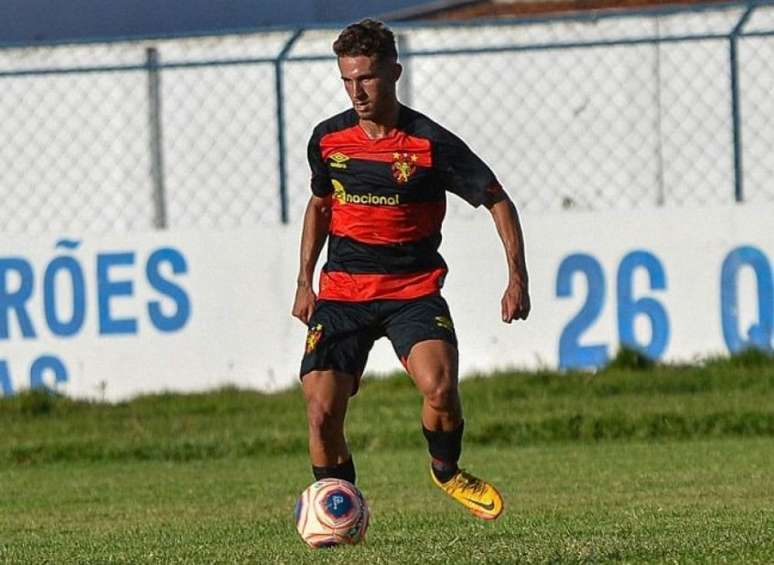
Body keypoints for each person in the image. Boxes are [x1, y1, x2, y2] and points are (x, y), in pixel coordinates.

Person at [292, 18, 530, 521]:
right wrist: (304, 282)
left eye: (368, 78)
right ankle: (339, 512)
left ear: (394, 73)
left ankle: (445, 470)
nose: (357, 91)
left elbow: (497, 200)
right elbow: (319, 207)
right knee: (320, 411)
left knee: (441, 390)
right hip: (342, 294)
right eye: (347, 80)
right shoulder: (328, 141)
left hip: (412, 291)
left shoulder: (430, 143)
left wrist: (517, 279)